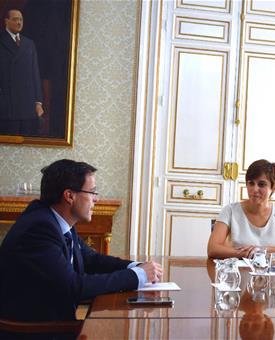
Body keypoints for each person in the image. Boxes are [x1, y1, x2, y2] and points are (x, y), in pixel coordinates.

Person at [0, 159, 163, 322]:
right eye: (92, 192)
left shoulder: (56, 220)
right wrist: (137, 276)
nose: (96, 199)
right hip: (33, 330)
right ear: (69, 196)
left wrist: (136, 267)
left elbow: (91, 259)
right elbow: (73, 287)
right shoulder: (40, 228)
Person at [207, 159, 275, 259]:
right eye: (251, 183)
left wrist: (262, 250)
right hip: (239, 273)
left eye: (261, 184)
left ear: (274, 188)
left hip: (273, 273)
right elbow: (212, 249)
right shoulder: (230, 210)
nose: (254, 189)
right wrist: (247, 253)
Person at [0, 8, 44, 136]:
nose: (19, 22)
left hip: (27, 105)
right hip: (7, 104)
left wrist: (38, 102)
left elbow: (35, 74)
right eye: (15, 19)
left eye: (21, 19)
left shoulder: (29, 43)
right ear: (6, 21)